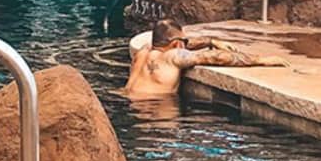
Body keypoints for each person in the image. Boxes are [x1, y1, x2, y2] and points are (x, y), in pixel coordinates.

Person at [123, 18, 288, 99]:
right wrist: (260, 60)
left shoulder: (143, 52)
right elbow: (216, 58)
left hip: (132, 102)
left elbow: (177, 45)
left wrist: (210, 41)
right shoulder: (172, 57)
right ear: (175, 44)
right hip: (157, 112)